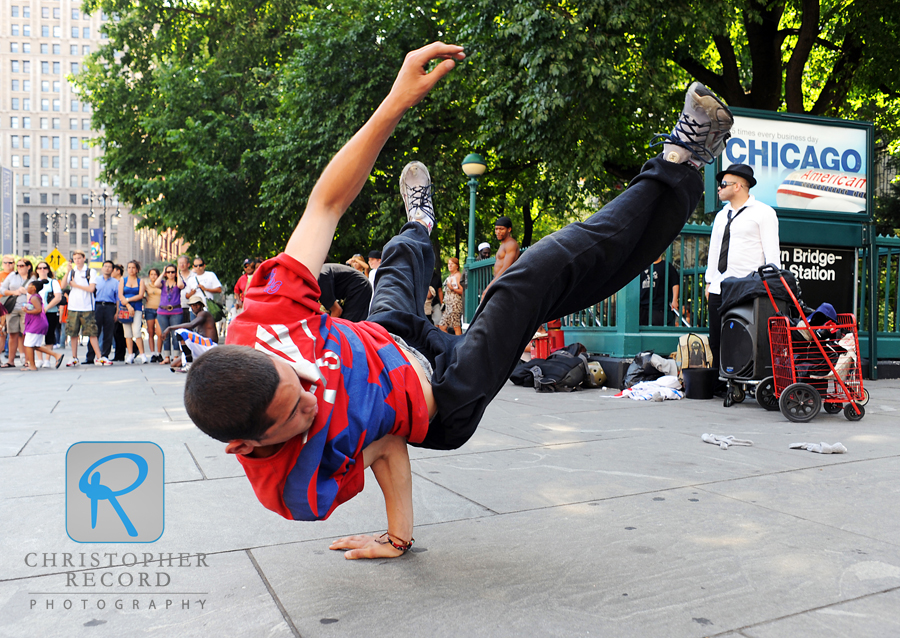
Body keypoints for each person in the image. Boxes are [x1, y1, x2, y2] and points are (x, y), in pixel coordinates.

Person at [181, 42, 733, 559]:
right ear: (246, 447)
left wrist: (395, 101)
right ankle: (681, 161)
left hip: (390, 338)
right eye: (295, 415)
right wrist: (398, 539)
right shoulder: (295, 487)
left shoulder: (266, 315)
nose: (311, 396)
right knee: (524, 281)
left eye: (295, 380)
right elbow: (389, 445)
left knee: (395, 266)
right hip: (443, 395)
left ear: (265, 353)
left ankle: (419, 224)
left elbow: (325, 204)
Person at [705, 163, 781, 374]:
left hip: (746, 287)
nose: (719, 188)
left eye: (723, 184)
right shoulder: (722, 215)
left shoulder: (764, 213)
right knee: (716, 336)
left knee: (743, 334)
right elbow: (714, 250)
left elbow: (772, 254)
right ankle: (719, 379)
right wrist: (709, 282)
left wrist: (772, 284)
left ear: (738, 186)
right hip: (720, 286)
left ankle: (742, 378)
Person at [60, 252, 103, 366]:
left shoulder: (90, 272)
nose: (77, 260)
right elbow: (63, 286)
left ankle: (99, 357)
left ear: (84, 258)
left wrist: (75, 285)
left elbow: (91, 289)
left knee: (92, 332)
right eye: (75, 259)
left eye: (79, 258)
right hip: (73, 306)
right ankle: (74, 357)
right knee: (73, 333)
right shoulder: (72, 272)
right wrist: (67, 271)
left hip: (87, 306)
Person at [161, 294, 219, 372]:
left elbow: (191, 325)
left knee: (181, 332)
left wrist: (170, 327)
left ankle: (189, 364)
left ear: (198, 305)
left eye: (192, 306)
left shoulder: (203, 313)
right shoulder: (199, 315)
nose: (192, 308)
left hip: (209, 345)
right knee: (174, 365)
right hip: (202, 346)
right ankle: (195, 362)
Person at [21, 280, 65, 371]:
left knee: (28, 344)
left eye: (29, 286)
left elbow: (38, 310)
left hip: (36, 324)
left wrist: (27, 311)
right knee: (34, 345)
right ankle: (57, 355)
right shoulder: (35, 297)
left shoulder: (34, 297)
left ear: (34, 288)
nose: (27, 288)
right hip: (37, 323)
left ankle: (32, 365)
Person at [0, 258, 35, 368]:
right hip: (13, 308)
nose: (19, 267)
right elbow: (2, 289)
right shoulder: (12, 276)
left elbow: (38, 291)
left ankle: (27, 361)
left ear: (28, 267)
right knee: (12, 334)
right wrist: (14, 292)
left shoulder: (33, 277)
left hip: (27, 309)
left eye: (21, 265)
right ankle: (11, 361)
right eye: (18, 266)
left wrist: (27, 291)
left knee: (26, 334)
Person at [86, 260, 117, 366]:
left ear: (112, 270)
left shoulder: (115, 282)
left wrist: (117, 312)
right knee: (94, 332)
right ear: (102, 268)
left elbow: (117, 299)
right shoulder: (96, 280)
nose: (107, 268)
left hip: (110, 307)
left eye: (110, 267)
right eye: (105, 266)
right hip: (97, 306)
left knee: (108, 332)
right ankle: (90, 356)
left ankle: (104, 356)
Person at [154, 263, 186, 365]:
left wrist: (178, 274)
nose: (170, 274)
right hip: (162, 311)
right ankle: (167, 357)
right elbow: (155, 284)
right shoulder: (163, 283)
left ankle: (176, 356)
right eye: (168, 272)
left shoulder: (178, 282)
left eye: (173, 272)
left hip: (176, 311)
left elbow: (181, 285)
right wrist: (163, 272)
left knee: (175, 334)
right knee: (165, 334)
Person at [482, 216, 520, 297]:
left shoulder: (511, 244)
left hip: (505, 283)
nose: (498, 232)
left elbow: (506, 268)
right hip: (499, 282)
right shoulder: (503, 244)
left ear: (509, 229)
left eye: (501, 229)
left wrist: (489, 287)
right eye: (496, 229)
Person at [119, 260, 149, 364]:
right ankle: (130, 355)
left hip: (137, 308)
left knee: (137, 331)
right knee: (127, 333)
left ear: (137, 269)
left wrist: (128, 300)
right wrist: (127, 305)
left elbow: (141, 295)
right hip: (125, 309)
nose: (131, 270)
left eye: (133, 267)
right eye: (129, 267)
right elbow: (120, 295)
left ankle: (142, 354)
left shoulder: (140, 281)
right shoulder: (123, 280)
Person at [34, 261, 63, 367]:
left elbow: (58, 297)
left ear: (48, 270)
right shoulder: (34, 283)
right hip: (36, 314)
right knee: (37, 336)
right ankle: (39, 359)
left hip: (50, 312)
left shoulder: (53, 282)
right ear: (36, 270)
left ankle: (47, 360)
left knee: (49, 335)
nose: (42, 270)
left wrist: (46, 308)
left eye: (44, 268)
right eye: (40, 268)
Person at [639, 253, 680, 326]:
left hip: (658, 307)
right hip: (643, 307)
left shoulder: (667, 266)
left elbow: (675, 283)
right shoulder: (643, 267)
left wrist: (674, 300)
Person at [439, 257, 464, 335]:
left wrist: (452, 288)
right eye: (448, 264)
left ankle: (458, 345)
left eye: (452, 264)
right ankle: (450, 342)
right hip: (448, 306)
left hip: (455, 305)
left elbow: (462, 291)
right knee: (442, 326)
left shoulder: (458, 275)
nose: (449, 265)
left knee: (456, 326)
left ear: (457, 266)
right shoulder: (450, 276)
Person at [144, 268, 162, 361]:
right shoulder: (146, 285)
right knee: (150, 332)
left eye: (155, 274)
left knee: (159, 333)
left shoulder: (161, 285)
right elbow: (141, 294)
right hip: (149, 310)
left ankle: (159, 353)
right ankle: (153, 354)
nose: (153, 276)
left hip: (160, 310)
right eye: (151, 274)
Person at [177, 256, 194, 323]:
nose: (182, 265)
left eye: (183, 263)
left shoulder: (194, 275)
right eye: (180, 263)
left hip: (192, 306)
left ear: (188, 264)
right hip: (179, 306)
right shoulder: (176, 276)